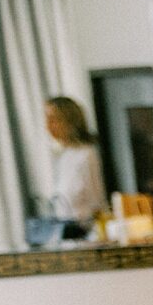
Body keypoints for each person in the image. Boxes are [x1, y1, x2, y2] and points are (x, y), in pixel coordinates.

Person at [44, 96, 105, 226]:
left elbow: (96, 201)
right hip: (66, 230)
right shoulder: (62, 155)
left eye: (54, 119)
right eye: (47, 119)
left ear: (70, 122)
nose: (48, 126)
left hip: (85, 230)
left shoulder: (87, 155)